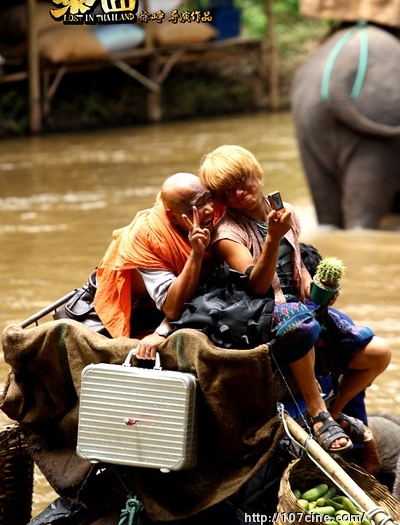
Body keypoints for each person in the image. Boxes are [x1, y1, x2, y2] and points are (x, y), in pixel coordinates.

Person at [199, 144, 392, 456]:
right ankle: (317, 415)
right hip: (265, 313)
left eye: (242, 182)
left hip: (302, 306)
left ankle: (335, 409)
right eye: (227, 191)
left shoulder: (286, 211)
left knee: (379, 353)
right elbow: (258, 286)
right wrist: (272, 237)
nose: (238, 193)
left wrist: (318, 288)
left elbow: (297, 265)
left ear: (256, 175)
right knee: (298, 320)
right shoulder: (228, 233)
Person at [94, 172, 221, 360]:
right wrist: (196, 254)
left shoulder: (218, 209)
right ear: (173, 215)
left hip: (168, 302)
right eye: (197, 206)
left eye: (208, 199)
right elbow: (173, 308)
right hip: (140, 306)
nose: (209, 210)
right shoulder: (148, 236)